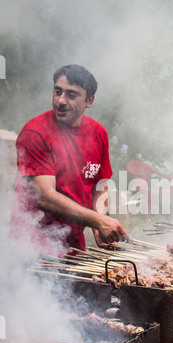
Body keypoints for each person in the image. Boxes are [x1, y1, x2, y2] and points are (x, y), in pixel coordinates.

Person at [10, 64, 128, 256]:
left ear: (89, 100)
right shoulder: (35, 132)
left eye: (71, 95)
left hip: (73, 248)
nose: (60, 101)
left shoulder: (98, 134)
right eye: (58, 92)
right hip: (33, 249)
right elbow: (45, 196)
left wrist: (100, 219)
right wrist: (97, 221)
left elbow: (100, 186)